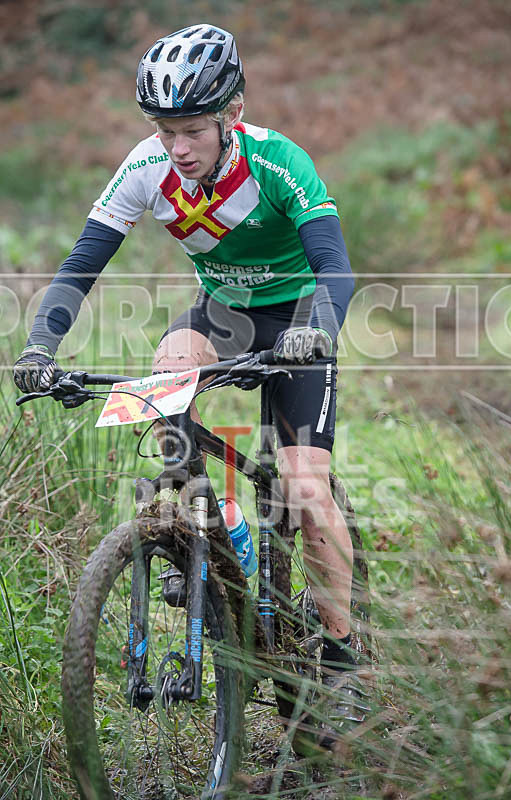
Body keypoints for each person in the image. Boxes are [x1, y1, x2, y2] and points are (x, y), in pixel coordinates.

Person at [13, 23, 368, 743]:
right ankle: (202, 526)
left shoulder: (279, 162)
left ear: (232, 114)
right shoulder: (146, 167)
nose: (178, 147)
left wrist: (319, 329)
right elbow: (82, 264)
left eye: (193, 130)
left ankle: (340, 659)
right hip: (223, 313)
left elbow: (336, 267)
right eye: (165, 130)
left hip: (300, 316)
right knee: (166, 372)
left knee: (304, 485)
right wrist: (41, 345)